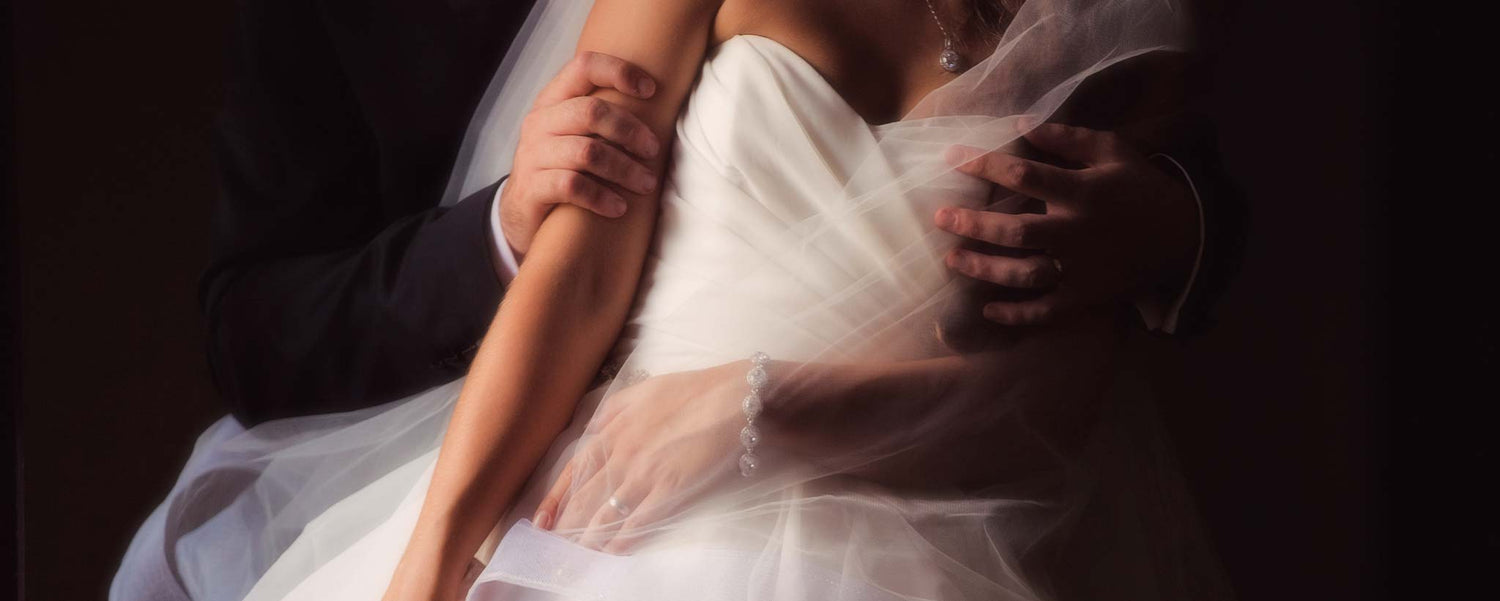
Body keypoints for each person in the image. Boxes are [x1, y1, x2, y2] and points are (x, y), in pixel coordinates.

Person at [113, 0, 1240, 600]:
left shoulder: (1106, 26)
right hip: (612, 510)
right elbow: (579, 273)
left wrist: (760, 412)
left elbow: (1069, 372)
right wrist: (431, 564)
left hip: (920, 524)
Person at [202, 0, 1240, 428]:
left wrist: (1173, 225)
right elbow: (255, 337)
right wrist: (505, 234)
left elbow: (1201, 141)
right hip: (530, 439)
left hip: (962, 444)